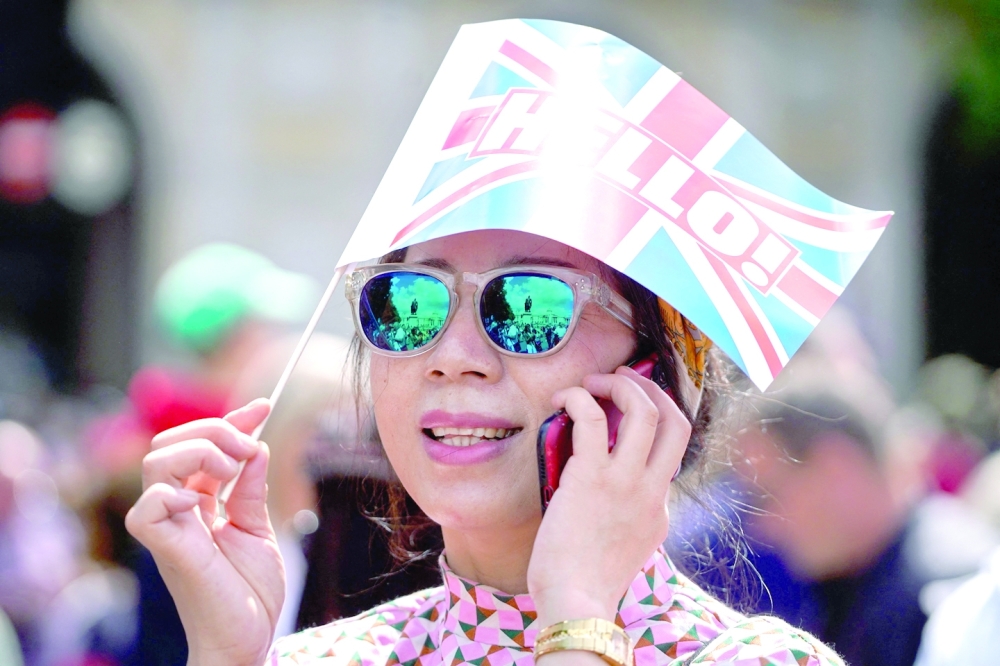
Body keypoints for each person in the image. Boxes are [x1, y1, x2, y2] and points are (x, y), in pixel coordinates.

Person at [125, 229, 844, 665]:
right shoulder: (328, 658)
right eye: (408, 303)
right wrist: (227, 655)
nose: (453, 355)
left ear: (650, 375)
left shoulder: (756, 661)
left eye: (530, 304)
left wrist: (578, 616)